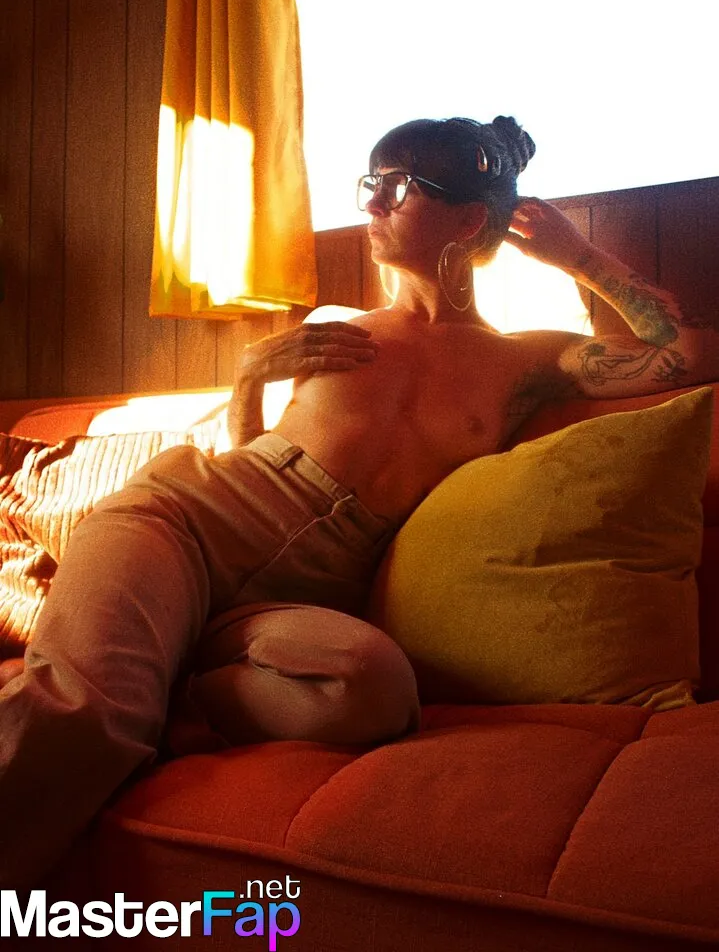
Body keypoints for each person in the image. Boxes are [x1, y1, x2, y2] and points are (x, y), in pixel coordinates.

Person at [0, 115, 715, 889]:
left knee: (369, 689)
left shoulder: (525, 360)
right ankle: (129, 691)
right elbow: (248, 457)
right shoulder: (334, 328)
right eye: (369, 185)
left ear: (467, 219)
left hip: (297, 594)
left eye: (395, 189)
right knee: (88, 713)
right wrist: (250, 379)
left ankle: (169, 685)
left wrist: (576, 255)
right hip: (182, 523)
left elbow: (686, 354)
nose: (370, 204)